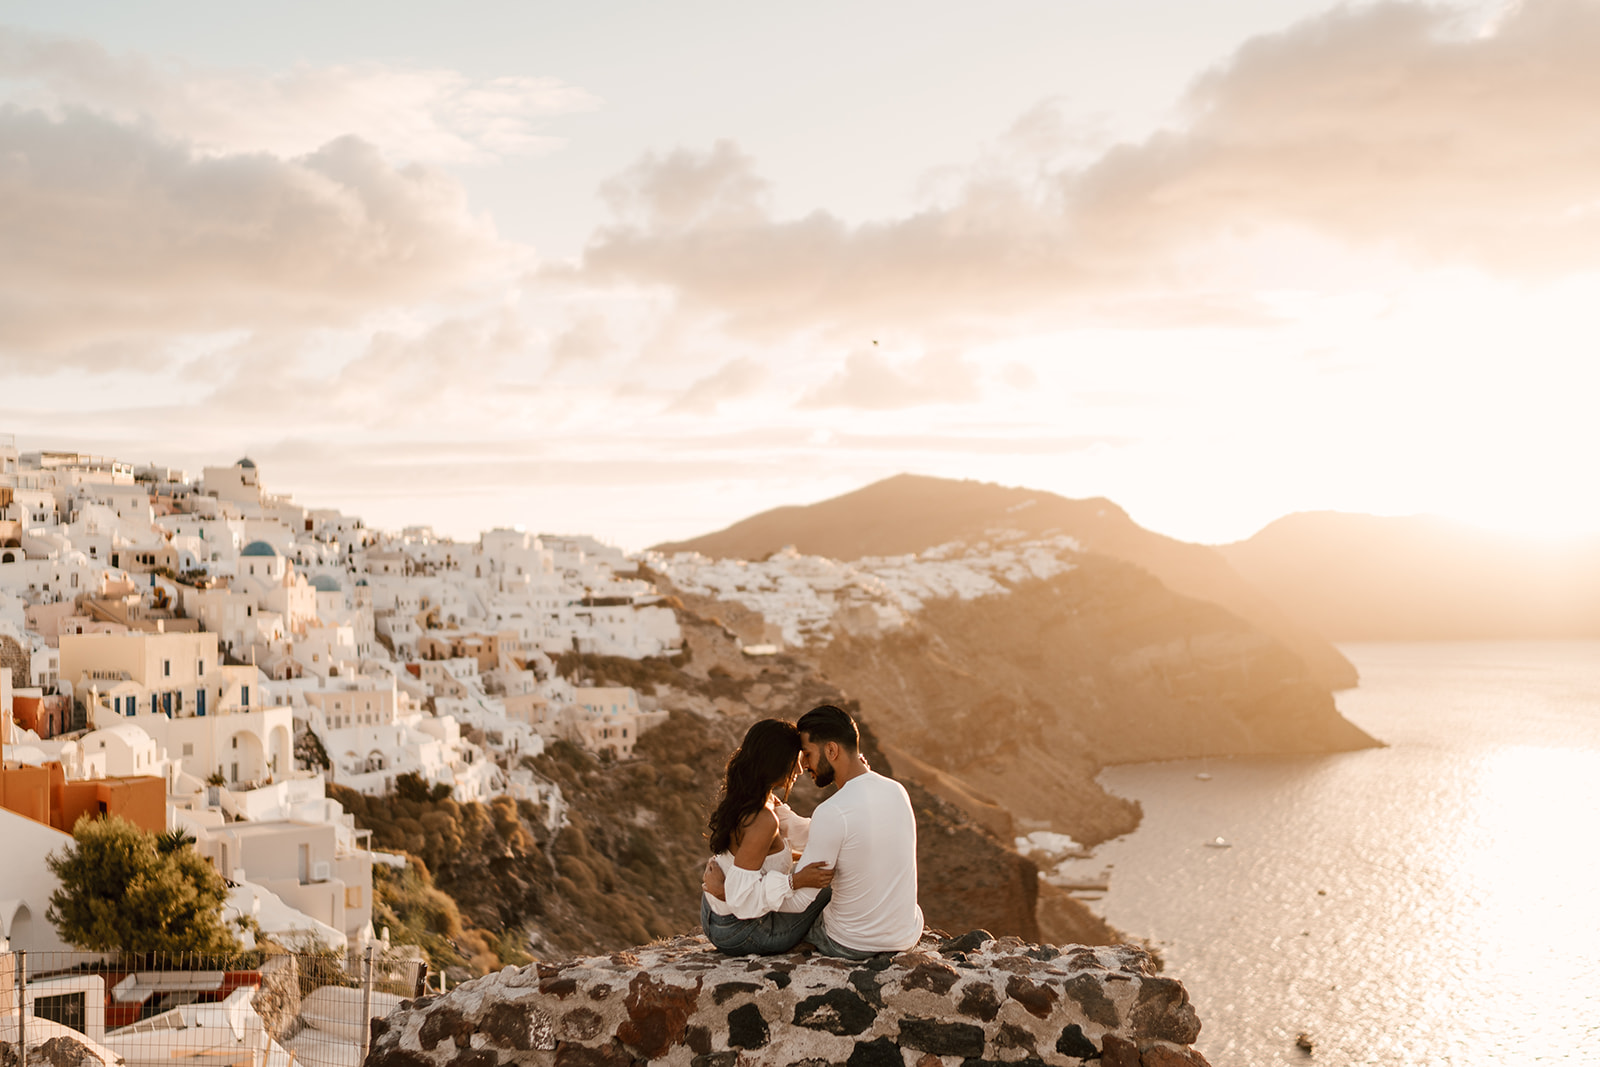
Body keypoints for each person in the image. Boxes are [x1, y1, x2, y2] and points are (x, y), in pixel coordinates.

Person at [705, 704, 925, 959]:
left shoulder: (830, 812)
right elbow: (832, 834)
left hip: (848, 942)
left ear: (831, 750)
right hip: (906, 934)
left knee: (825, 886)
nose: (803, 766)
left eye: (807, 754)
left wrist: (729, 894)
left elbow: (799, 901)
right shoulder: (897, 790)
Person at [700, 718, 836, 954]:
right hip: (742, 930)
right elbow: (741, 901)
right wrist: (798, 880)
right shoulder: (762, 820)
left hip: (714, 914)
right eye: (796, 759)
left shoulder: (753, 798)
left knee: (828, 866)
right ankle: (842, 938)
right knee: (838, 880)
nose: (801, 769)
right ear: (778, 761)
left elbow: (809, 835)